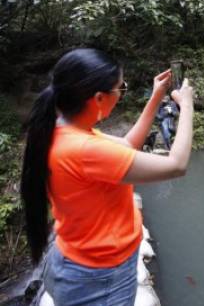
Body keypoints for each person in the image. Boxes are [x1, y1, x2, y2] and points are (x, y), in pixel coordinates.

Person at [20, 48, 194, 305]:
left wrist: (156, 97)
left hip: (79, 261)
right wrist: (187, 105)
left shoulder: (65, 130)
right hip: (100, 276)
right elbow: (176, 165)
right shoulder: (85, 149)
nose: (122, 93)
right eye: (120, 89)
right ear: (99, 98)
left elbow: (126, 145)